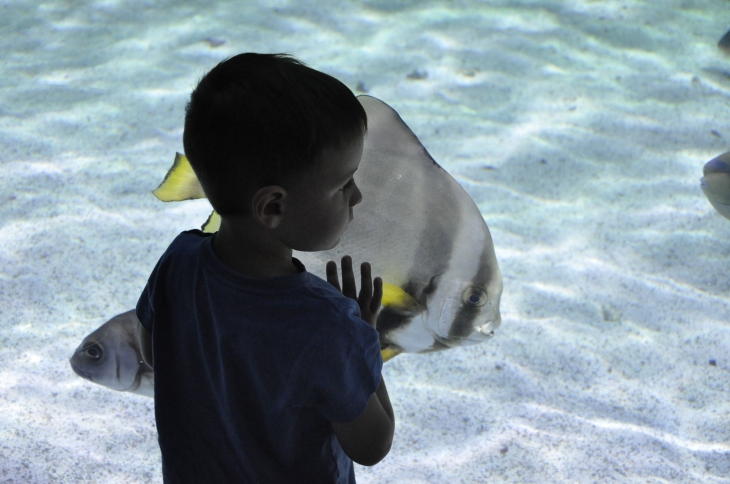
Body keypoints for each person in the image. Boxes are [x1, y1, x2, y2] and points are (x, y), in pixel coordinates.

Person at [135, 53, 395, 483]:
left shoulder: (178, 261)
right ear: (273, 206)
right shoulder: (327, 326)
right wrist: (364, 343)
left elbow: (151, 350)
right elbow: (372, 445)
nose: (357, 197)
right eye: (343, 184)